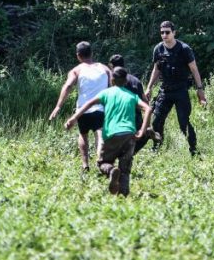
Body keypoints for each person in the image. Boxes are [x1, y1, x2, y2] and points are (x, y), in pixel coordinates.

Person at [65, 67, 152, 196]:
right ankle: (123, 196)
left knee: (103, 163)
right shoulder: (132, 96)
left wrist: (73, 118)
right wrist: (142, 130)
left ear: (112, 80)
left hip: (111, 135)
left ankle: (111, 171)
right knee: (125, 170)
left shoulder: (106, 93)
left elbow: (88, 104)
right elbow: (148, 109)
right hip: (129, 135)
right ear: (125, 81)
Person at [144, 21, 207, 157]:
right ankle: (157, 147)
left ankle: (194, 151)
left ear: (174, 33)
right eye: (162, 32)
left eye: (167, 32)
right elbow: (156, 70)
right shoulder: (158, 49)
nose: (164, 35)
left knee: (183, 123)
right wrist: (149, 88)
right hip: (165, 90)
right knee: (156, 121)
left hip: (181, 90)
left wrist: (200, 89)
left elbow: (194, 69)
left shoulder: (184, 49)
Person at [49, 42, 111, 171]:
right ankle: (101, 160)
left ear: (78, 55)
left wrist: (58, 106)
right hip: (100, 108)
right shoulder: (104, 68)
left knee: (83, 135)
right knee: (100, 134)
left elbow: (68, 86)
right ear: (91, 53)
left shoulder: (76, 70)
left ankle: (85, 165)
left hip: (82, 110)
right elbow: (114, 85)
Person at [108, 54, 150, 155]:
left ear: (111, 66)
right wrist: (147, 122)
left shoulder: (111, 80)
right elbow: (145, 101)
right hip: (136, 118)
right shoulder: (135, 80)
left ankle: (126, 155)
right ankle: (129, 153)